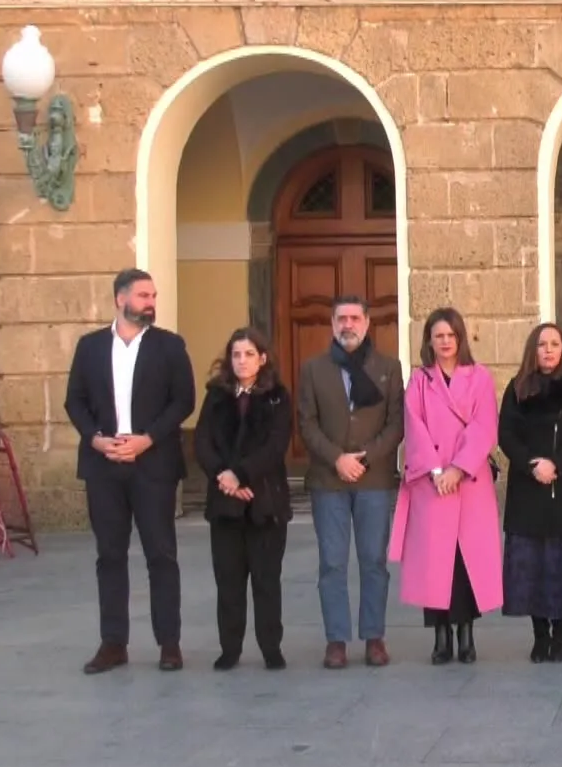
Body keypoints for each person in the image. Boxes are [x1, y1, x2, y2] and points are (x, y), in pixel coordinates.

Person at [62, 268, 197, 675]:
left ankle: (169, 643)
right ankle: (113, 642)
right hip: (104, 465)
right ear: (121, 299)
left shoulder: (170, 346)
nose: (151, 302)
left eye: (153, 295)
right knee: (110, 555)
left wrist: (147, 439)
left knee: (161, 554)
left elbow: (183, 401)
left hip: (152, 464)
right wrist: (96, 439)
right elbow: (75, 401)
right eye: (143, 295)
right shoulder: (89, 347)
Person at [389, 307, 504, 665]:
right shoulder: (419, 381)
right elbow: (415, 427)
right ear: (429, 341)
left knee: (465, 562)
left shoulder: (480, 377)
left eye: (450, 335)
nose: (445, 342)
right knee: (434, 563)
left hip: (467, 482)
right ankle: (441, 636)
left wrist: (457, 468)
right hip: (431, 482)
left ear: (460, 338)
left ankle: (467, 633)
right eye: (438, 336)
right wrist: (437, 470)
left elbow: (485, 426)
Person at [297, 296, 405, 670]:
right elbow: (307, 423)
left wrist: (368, 456)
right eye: (341, 318)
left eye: (354, 318)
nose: (348, 325)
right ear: (331, 324)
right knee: (332, 562)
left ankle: (374, 636)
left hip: (373, 479)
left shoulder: (388, 367)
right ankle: (336, 640)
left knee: (374, 560)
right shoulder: (313, 369)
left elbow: (396, 423)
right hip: (329, 480)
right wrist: (337, 458)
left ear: (367, 323)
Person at [192, 327, 294, 671]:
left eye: (249, 354)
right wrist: (224, 475)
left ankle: (271, 648)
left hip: (265, 502)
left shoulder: (278, 397)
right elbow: (202, 442)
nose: (242, 360)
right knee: (229, 581)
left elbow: (276, 445)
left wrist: (243, 474)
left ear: (262, 358)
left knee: (266, 580)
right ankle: (230, 649)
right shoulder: (216, 396)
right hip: (225, 503)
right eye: (236, 354)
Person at [498, 323, 562, 663]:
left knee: (561, 566)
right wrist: (531, 465)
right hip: (528, 490)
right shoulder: (519, 388)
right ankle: (540, 636)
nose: (548, 350)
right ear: (532, 351)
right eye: (542, 344)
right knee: (534, 566)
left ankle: (561, 636)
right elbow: (506, 434)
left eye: (555, 344)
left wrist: (557, 464)